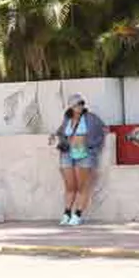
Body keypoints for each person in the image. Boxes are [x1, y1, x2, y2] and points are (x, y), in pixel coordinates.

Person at [53, 95, 106, 225]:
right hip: (67, 154)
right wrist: (59, 138)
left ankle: (78, 214)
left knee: (82, 186)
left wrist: (92, 145)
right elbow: (61, 132)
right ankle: (66, 213)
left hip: (84, 154)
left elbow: (103, 130)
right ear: (71, 106)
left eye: (82, 103)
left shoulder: (91, 118)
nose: (80, 106)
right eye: (77, 104)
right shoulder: (67, 119)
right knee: (70, 186)